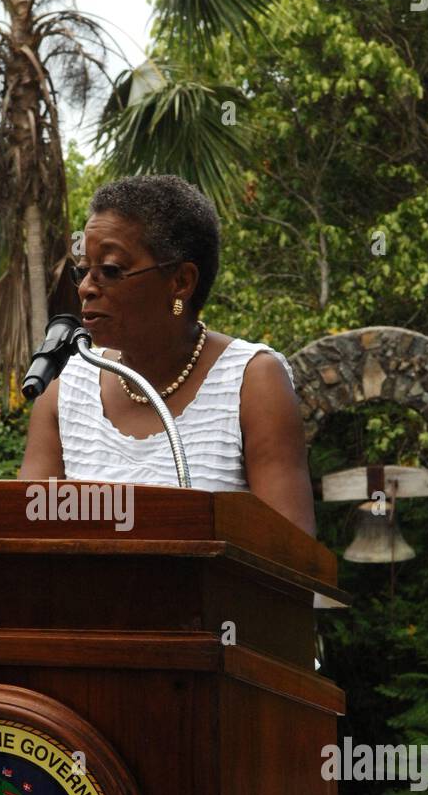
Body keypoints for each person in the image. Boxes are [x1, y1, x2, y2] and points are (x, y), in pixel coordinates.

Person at [18, 174, 316, 536]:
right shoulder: (64, 388)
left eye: (110, 271)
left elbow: (290, 559)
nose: (85, 288)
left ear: (181, 282)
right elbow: (26, 533)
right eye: (82, 273)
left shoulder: (252, 381)